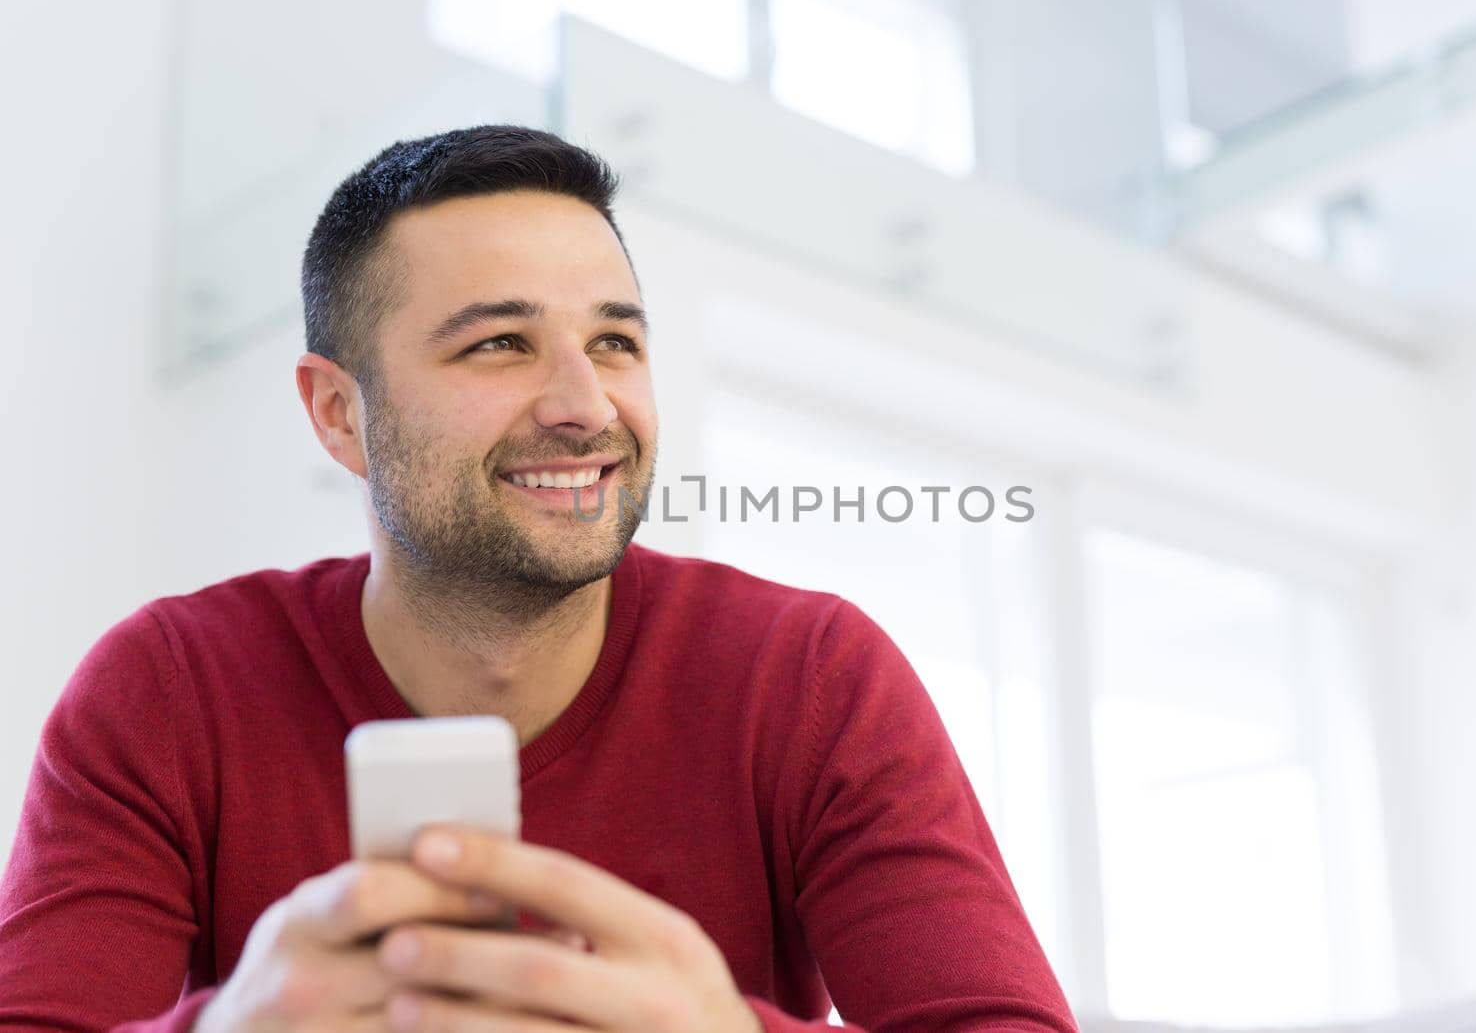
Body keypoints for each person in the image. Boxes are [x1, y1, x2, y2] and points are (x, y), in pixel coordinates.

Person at [0, 125, 1076, 1032]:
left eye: (614, 342)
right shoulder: (171, 686)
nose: (586, 404)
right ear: (338, 413)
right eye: (500, 343)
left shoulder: (810, 675)